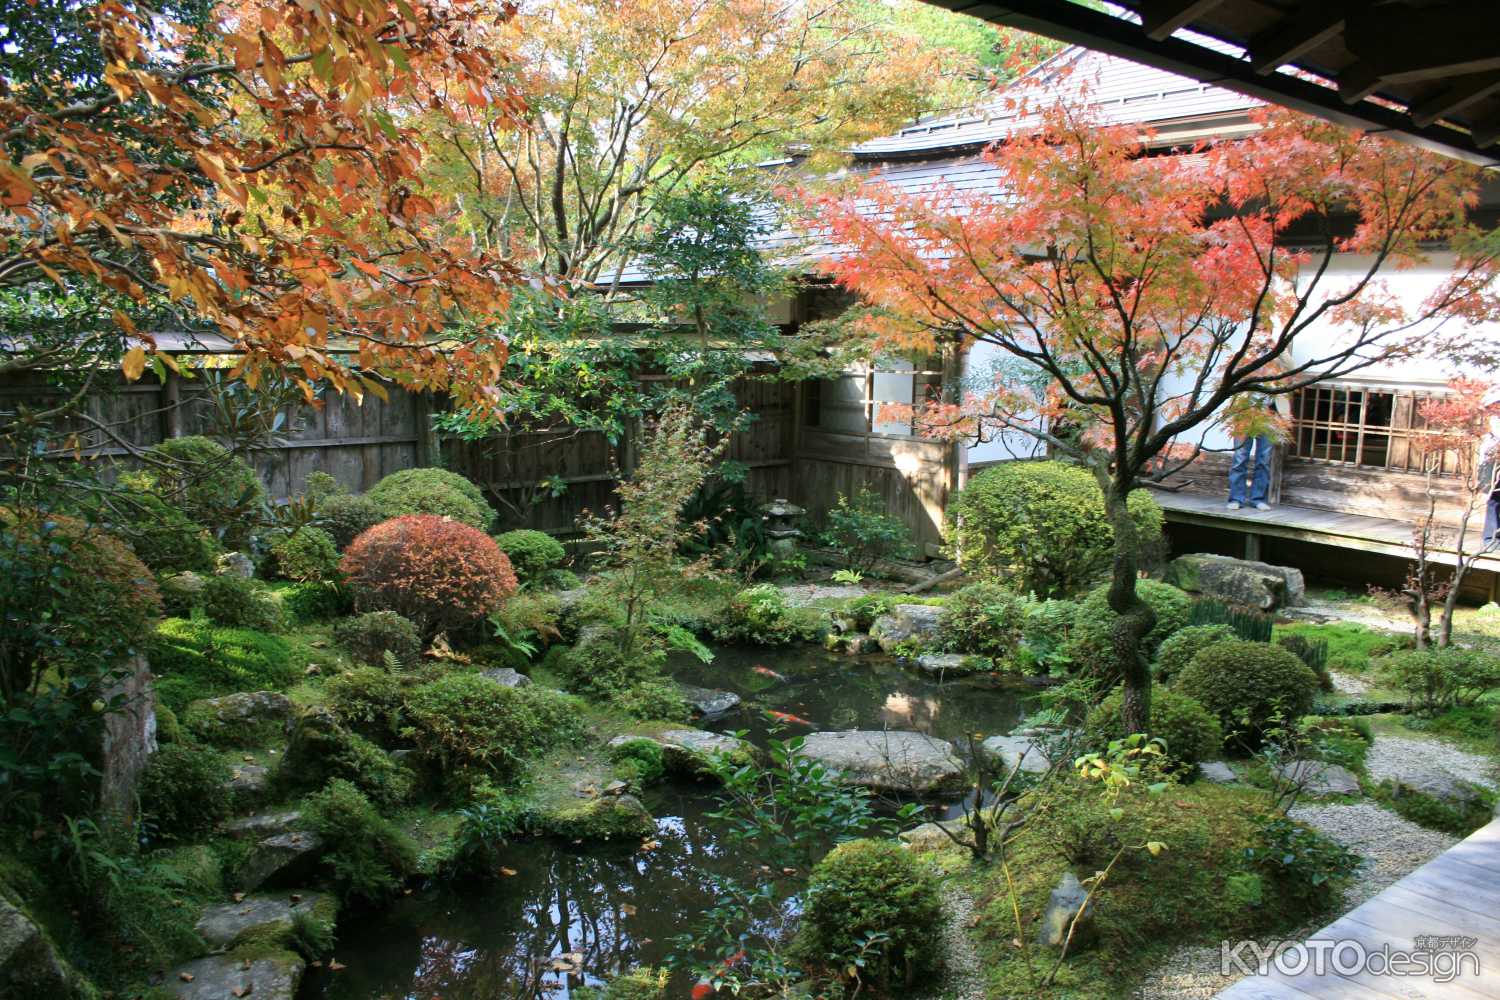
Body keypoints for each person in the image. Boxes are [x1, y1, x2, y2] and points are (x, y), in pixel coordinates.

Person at [1227, 395, 1285, 512]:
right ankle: (1236, 499)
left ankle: (1258, 499)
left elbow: (1281, 394)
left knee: (1264, 460)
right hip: (1244, 413)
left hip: (1268, 415)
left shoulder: (1275, 377)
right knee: (1240, 457)